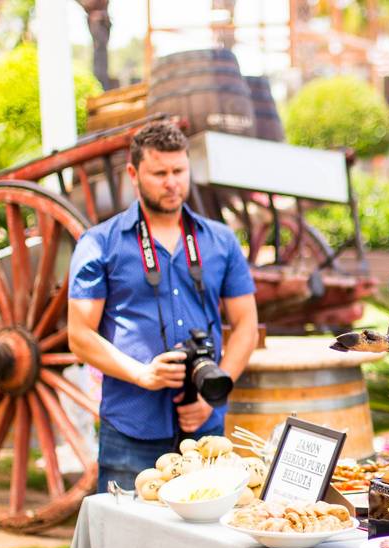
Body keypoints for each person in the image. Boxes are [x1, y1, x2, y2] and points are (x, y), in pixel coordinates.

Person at [68, 121, 258, 492]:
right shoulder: (99, 243)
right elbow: (79, 336)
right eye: (159, 173)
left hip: (206, 428)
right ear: (134, 174)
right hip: (131, 426)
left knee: (206, 544)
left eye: (179, 171)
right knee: (124, 544)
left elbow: (247, 325)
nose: (172, 182)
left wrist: (215, 394)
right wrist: (143, 375)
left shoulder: (221, 240)